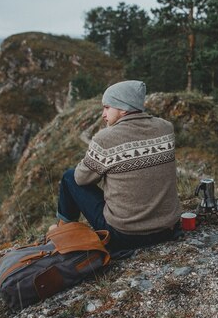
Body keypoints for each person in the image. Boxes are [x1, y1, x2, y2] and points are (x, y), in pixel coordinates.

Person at [53, 80, 182, 252]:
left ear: (123, 108)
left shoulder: (106, 138)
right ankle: (64, 230)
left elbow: (81, 178)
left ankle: (64, 232)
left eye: (107, 107)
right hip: (168, 229)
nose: (103, 115)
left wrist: (92, 159)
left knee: (69, 177)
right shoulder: (166, 128)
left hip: (124, 237)